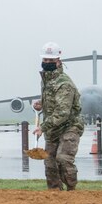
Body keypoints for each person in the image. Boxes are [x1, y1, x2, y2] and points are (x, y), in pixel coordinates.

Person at [32, 42, 84, 191]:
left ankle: (71, 190)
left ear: (58, 61)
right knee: (49, 162)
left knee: (63, 159)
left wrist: (43, 127)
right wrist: (41, 104)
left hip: (69, 126)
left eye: (51, 60)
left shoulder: (64, 83)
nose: (47, 63)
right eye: (45, 60)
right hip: (53, 129)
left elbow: (63, 112)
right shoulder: (46, 80)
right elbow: (52, 99)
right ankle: (54, 194)